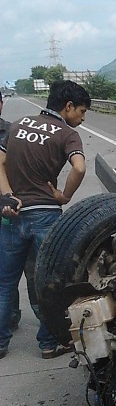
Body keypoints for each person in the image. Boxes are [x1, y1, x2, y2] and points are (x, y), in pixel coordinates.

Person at [0, 79, 90, 359]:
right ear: (68, 106)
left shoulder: (17, 124)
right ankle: (48, 343)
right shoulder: (67, 134)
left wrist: (7, 196)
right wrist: (64, 196)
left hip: (13, 214)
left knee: (4, 283)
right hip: (45, 216)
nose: (83, 118)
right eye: (82, 111)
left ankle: (1, 343)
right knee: (48, 283)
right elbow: (79, 167)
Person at [0, 92, 37, 331]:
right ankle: (9, 318)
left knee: (31, 271)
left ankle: (48, 324)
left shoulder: (13, 132)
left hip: (15, 209)